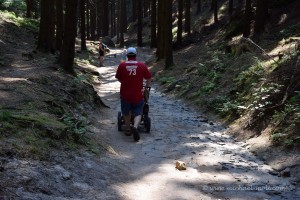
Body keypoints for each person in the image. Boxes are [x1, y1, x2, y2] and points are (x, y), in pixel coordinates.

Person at [115, 47, 152, 142]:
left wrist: (125, 81)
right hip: (138, 94)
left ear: (127, 55)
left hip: (125, 94)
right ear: (135, 55)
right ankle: (135, 126)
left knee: (126, 112)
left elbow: (118, 78)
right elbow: (148, 77)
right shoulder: (142, 65)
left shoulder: (122, 66)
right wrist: (147, 87)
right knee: (138, 112)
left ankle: (127, 128)